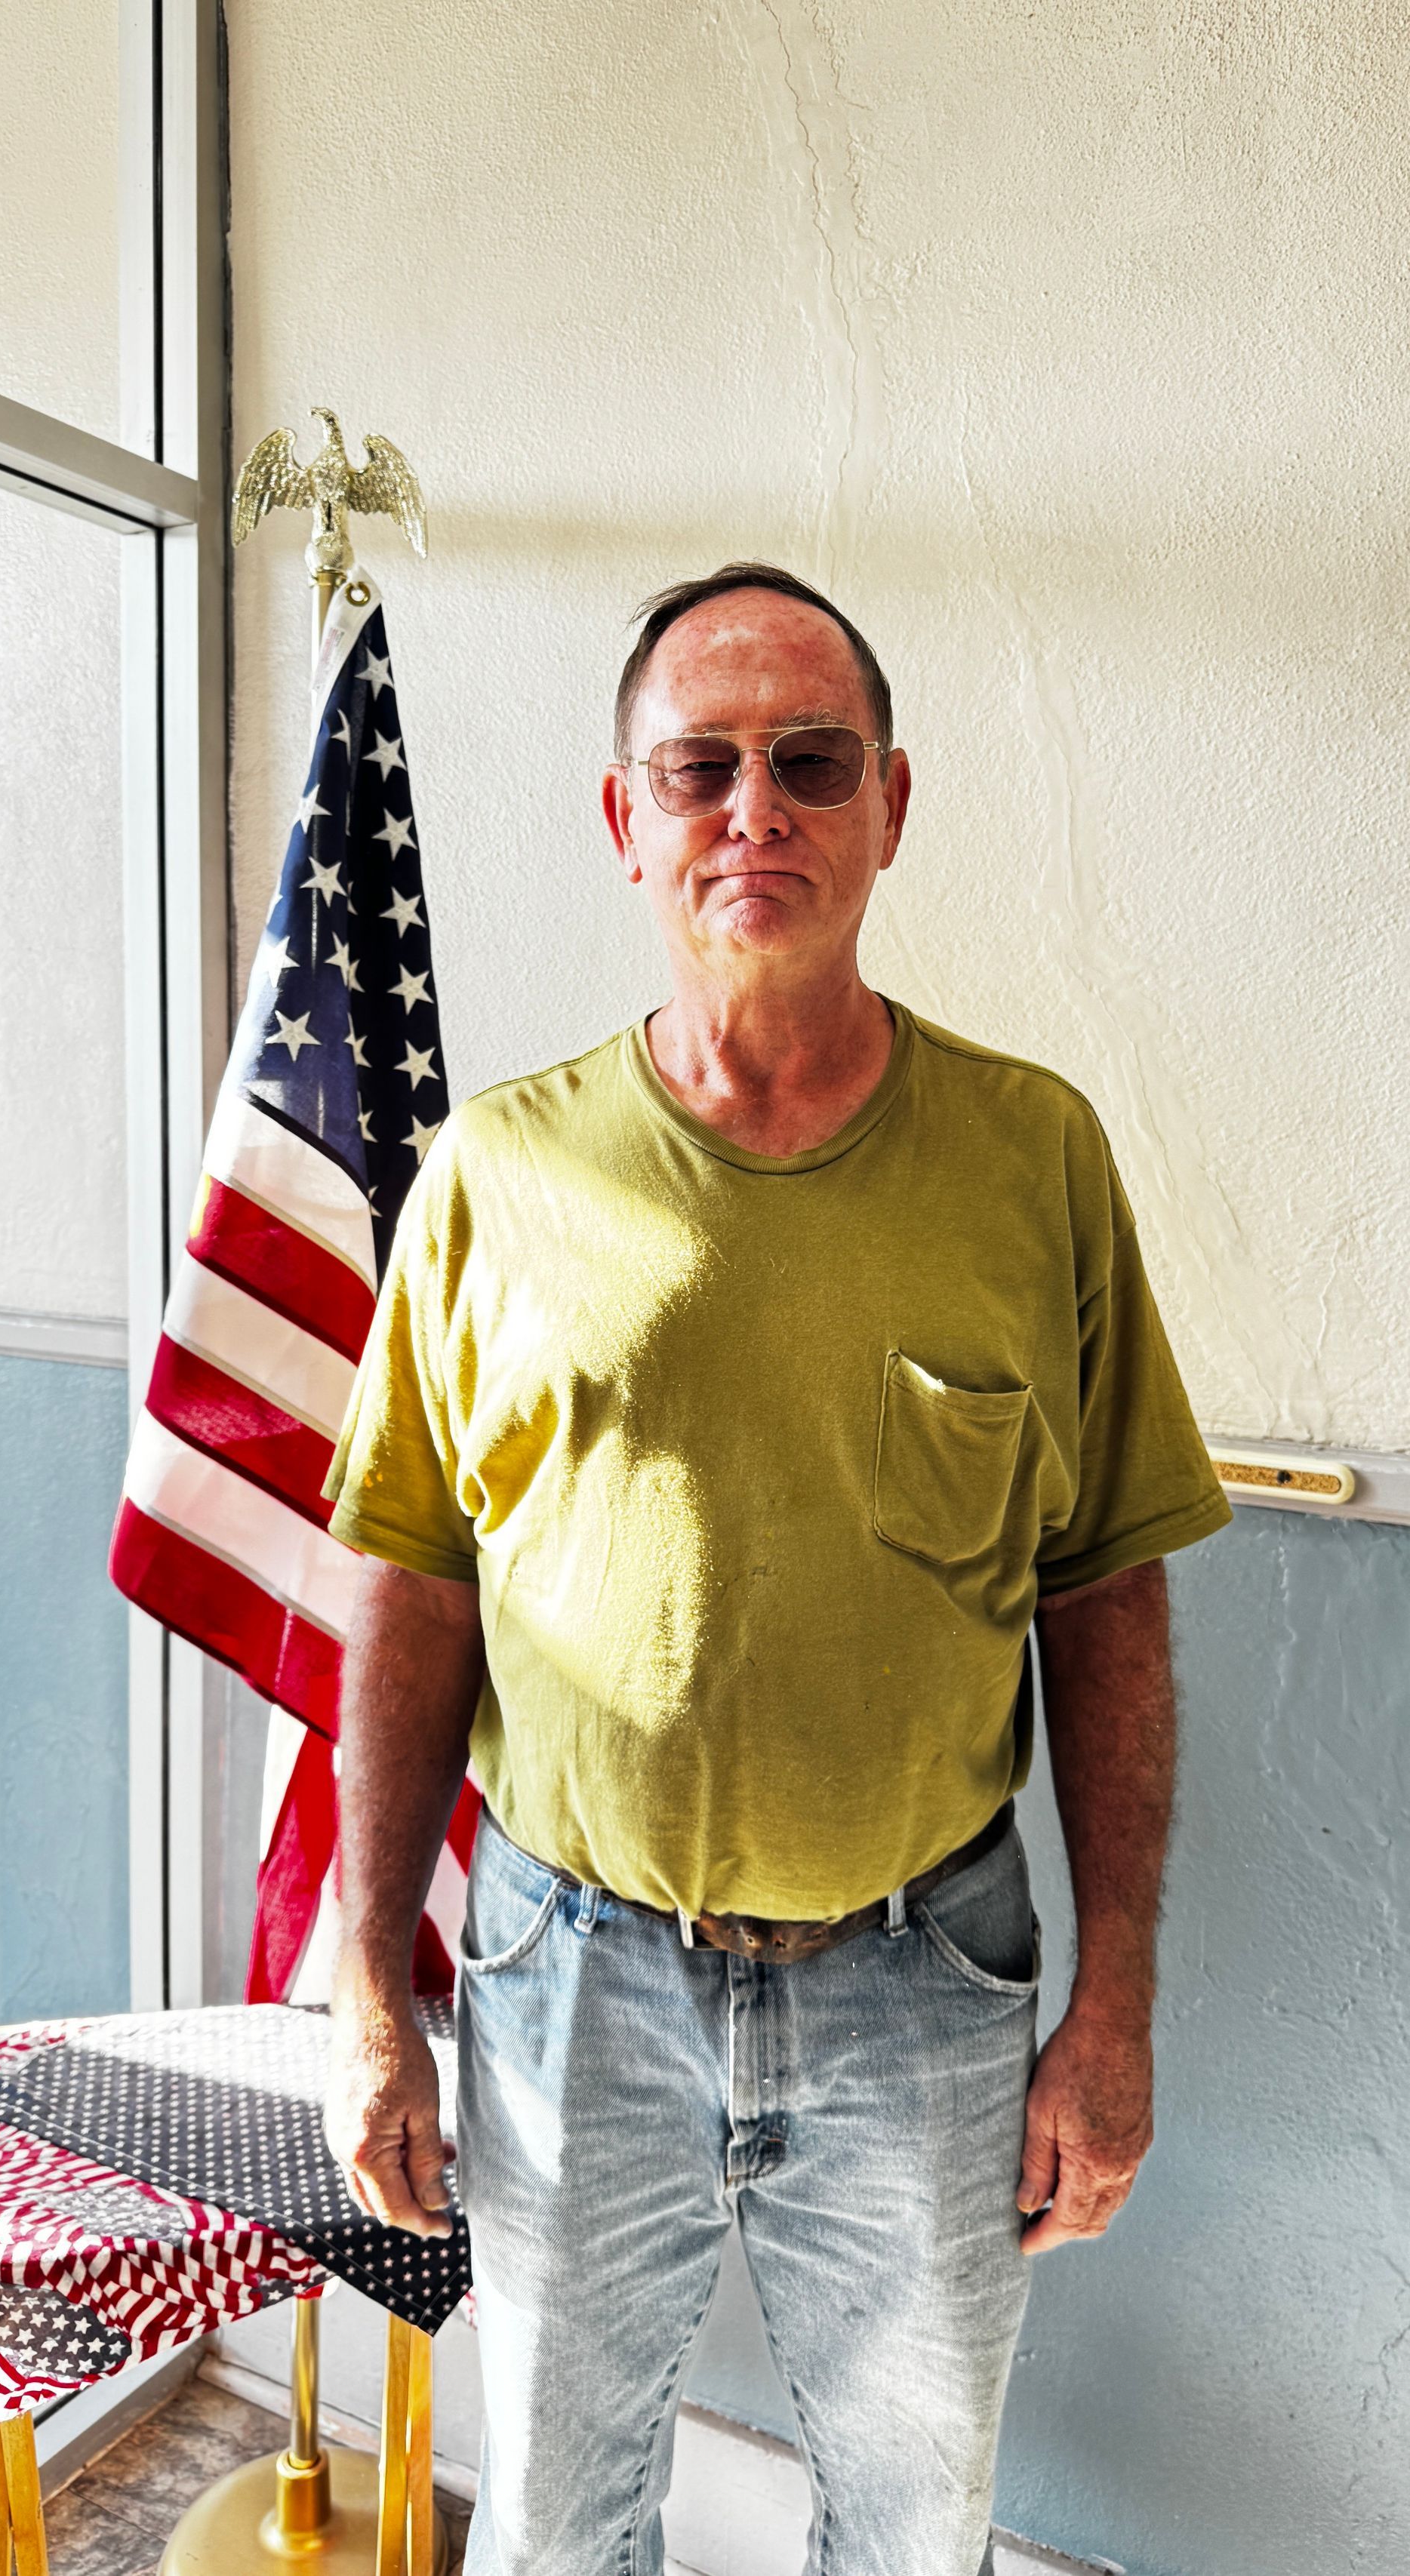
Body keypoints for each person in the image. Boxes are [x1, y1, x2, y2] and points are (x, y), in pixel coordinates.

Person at [322, 563, 1232, 2576]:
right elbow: (414, 1587)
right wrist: (369, 1981)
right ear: (625, 818)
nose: (757, 810)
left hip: (928, 1980)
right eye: (702, 768)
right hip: (571, 1982)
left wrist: (1120, 2004)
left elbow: (1106, 1595)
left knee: (916, 2532)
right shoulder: (496, 1175)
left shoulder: (1034, 1159)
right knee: (557, 2526)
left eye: (812, 764)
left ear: (889, 806)